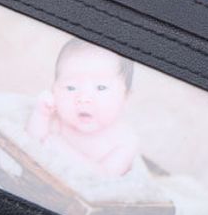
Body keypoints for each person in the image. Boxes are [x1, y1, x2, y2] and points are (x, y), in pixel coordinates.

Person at [27, 38, 139, 178]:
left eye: (101, 87)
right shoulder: (58, 118)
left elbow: (104, 181)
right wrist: (41, 115)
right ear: (54, 89)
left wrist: (60, 148)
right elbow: (31, 143)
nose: (83, 98)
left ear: (125, 97)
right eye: (71, 87)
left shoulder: (125, 141)